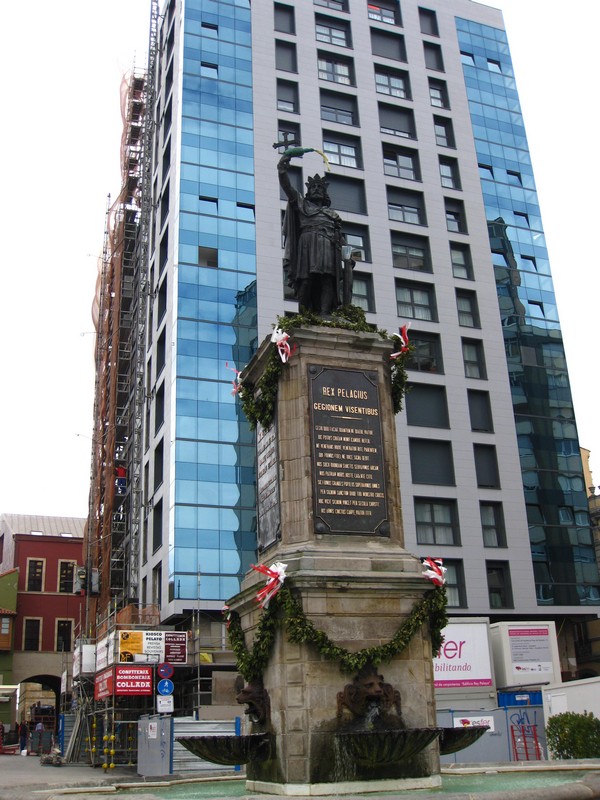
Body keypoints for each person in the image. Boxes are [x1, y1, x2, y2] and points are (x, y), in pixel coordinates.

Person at [278, 149, 349, 316]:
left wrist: (349, 256)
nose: (316, 189)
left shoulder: (332, 215)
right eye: (313, 187)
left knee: (327, 280)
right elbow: (287, 188)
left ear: (325, 194)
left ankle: (324, 314)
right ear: (308, 192)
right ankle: (304, 315)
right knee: (306, 281)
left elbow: (340, 238)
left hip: (329, 246)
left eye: (320, 188)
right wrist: (282, 170)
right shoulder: (303, 205)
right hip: (307, 245)